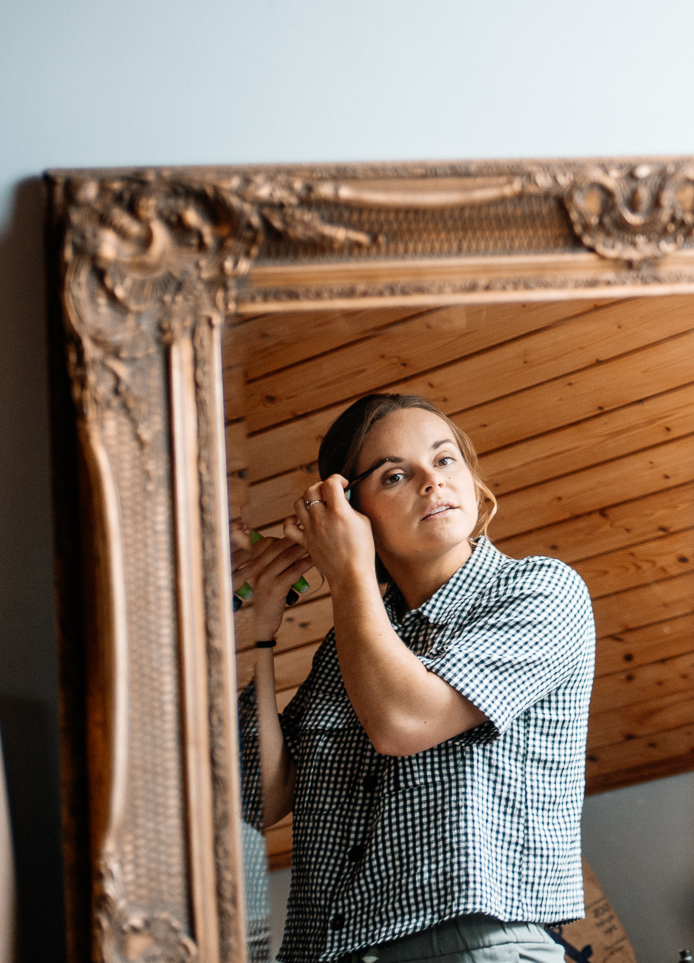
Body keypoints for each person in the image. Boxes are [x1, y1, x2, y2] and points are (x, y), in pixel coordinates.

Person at [233, 393, 595, 963]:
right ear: (353, 510)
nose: (432, 481)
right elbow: (259, 798)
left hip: (473, 949)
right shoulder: (345, 651)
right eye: (396, 474)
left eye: (445, 459)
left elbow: (402, 723)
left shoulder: (541, 590)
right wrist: (259, 636)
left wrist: (348, 569)